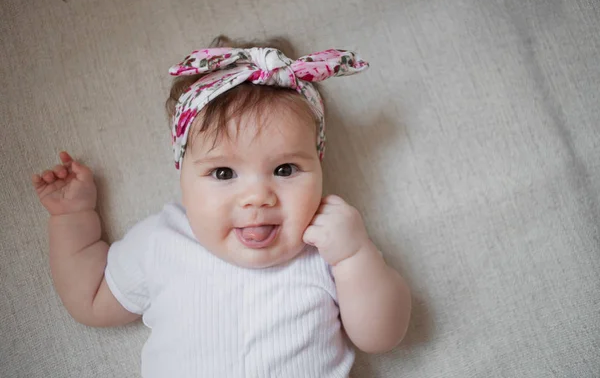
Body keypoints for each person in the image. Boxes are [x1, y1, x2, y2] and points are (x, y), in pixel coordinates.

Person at [32, 36, 411, 377]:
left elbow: (381, 337)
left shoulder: (328, 247)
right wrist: (73, 217)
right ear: (183, 176)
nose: (257, 197)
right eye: (224, 173)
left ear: (318, 166)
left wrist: (355, 257)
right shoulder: (162, 240)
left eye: (284, 169)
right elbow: (92, 300)